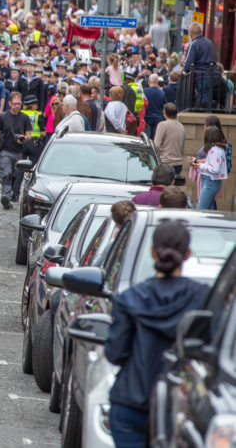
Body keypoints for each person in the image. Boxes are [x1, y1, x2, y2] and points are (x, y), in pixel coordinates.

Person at [105, 219, 210, 447]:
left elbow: (115, 353)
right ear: (187, 253)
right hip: (182, 407)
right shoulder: (203, 298)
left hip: (130, 401)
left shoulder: (130, 298)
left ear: (153, 253)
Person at [0, 92, 32, 210]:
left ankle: (10, 192)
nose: (17, 106)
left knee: (15, 175)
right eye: (15, 104)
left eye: (19, 104)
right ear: (9, 104)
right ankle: (6, 196)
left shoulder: (25, 118)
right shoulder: (3, 117)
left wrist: (24, 138)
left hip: (18, 151)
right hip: (5, 150)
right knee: (6, 173)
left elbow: (29, 135)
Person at [191, 125, 228, 210]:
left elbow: (215, 169)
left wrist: (200, 166)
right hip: (210, 181)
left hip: (210, 181)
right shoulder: (217, 149)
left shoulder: (214, 150)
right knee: (210, 210)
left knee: (201, 208)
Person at [182, 23, 216, 108]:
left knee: (203, 99)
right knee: (209, 97)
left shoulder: (194, 44)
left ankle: (205, 117)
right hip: (213, 74)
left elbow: (188, 64)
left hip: (201, 75)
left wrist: (184, 70)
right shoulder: (209, 42)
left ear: (190, 34)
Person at [153, 103, 185, 174]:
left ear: (164, 112)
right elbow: (182, 148)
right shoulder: (181, 126)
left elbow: (156, 145)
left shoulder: (162, 125)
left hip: (165, 162)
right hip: (178, 163)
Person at [142, 74, 166, 138]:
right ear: (157, 82)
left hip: (147, 117)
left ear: (149, 81)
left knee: (147, 139)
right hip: (157, 118)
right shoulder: (162, 92)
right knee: (155, 139)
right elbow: (164, 106)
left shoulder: (145, 91)